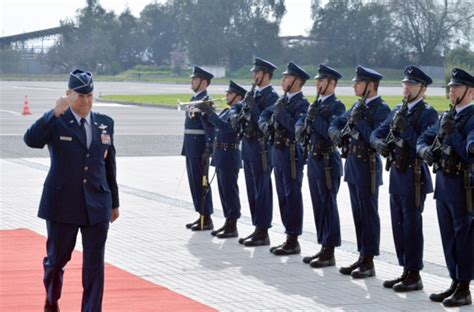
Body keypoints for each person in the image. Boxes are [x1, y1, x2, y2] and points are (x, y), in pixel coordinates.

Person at [24, 69, 120, 312]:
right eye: (80, 96)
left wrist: (114, 203)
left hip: (97, 205)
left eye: (89, 96)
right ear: (68, 95)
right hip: (62, 204)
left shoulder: (104, 123)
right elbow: (31, 140)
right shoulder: (57, 121)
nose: (85, 101)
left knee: (94, 265)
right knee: (57, 261)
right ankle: (51, 299)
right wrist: (52, 113)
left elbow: (109, 165)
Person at [370, 66, 438, 291]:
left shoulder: (427, 113)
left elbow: (424, 142)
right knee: (398, 225)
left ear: (422, 88)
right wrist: (378, 143)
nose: (406, 87)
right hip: (397, 174)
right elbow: (377, 131)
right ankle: (405, 270)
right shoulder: (399, 109)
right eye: (405, 84)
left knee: (411, 226)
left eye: (411, 84)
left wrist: (406, 129)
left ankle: (414, 273)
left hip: (414, 175)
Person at [417, 68, 473, 307]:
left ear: (470, 91)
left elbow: (470, 153)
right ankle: (454, 280)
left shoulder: (471, 118)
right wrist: (425, 151)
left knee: (464, 238)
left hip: (463, 187)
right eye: (450, 87)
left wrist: (452, 134)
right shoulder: (447, 116)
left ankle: (464, 287)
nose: (452, 90)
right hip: (444, 187)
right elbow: (423, 139)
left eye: (457, 87)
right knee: (448, 237)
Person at [328, 65, 390, 278]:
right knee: (358, 214)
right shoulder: (357, 106)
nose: (354, 85)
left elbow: (376, 137)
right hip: (353, 165)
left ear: (371, 86)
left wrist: (360, 121)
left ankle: (369, 260)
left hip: (368, 167)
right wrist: (335, 131)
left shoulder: (381, 109)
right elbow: (336, 122)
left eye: (359, 82)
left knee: (368, 214)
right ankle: (362, 255)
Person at [295, 64, 345, 268]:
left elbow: (330, 134)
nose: (318, 84)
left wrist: (315, 119)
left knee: (328, 205)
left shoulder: (337, 106)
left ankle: (330, 249)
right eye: (317, 80)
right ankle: (323, 245)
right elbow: (307, 130)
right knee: (318, 205)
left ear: (332, 83)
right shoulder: (314, 105)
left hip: (327, 162)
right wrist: (304, 124)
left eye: (322, 80)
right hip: (314, 160)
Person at [258, 62, 310, 256]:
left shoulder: (301, 104)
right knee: (282, 197)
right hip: (277, 154)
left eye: (287, 77)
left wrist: (281, 113)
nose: (283, 80)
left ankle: (293, 239)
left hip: (291, 155)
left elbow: (296, 128)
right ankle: (288, 235)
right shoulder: (284, 100)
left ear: (297, 81)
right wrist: (264, 124)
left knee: (292, 196)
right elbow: (264, 114)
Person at [232, 57, 279, 247]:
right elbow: (237, 108)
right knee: (252, 189)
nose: (254, 76)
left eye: (257, 73)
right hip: (249, 146)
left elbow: (268, 121)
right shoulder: (255, 93)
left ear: (266, 75)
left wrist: (254, 107)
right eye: (254, 73)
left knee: (262, 190)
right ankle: (256, 227)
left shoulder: (272, 97)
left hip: (262, 148)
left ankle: (263, 230)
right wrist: (236, 113)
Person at [196, 81, 246, 238]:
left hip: (229, 155)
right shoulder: (227, 110)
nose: (226, 96)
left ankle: (233, 224)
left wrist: (210, 112)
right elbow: (214, 127)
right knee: (223, 191)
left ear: (238, 97)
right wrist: (204, 114)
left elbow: (226, 127)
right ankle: (227, 221)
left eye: (230, 94)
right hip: (221, 154)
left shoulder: (238, 112)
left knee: (230, 191)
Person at [183, 66, 216, 231]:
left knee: (201, 183)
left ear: (204, 82)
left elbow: (209, 127)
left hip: (199, 148)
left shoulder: (205, 101)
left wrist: (209, 147)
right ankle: (201, 214)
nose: (192, 81)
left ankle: (207, 217)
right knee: (194, 183)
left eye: (195, 79)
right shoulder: (195, 98)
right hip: (190, 147)